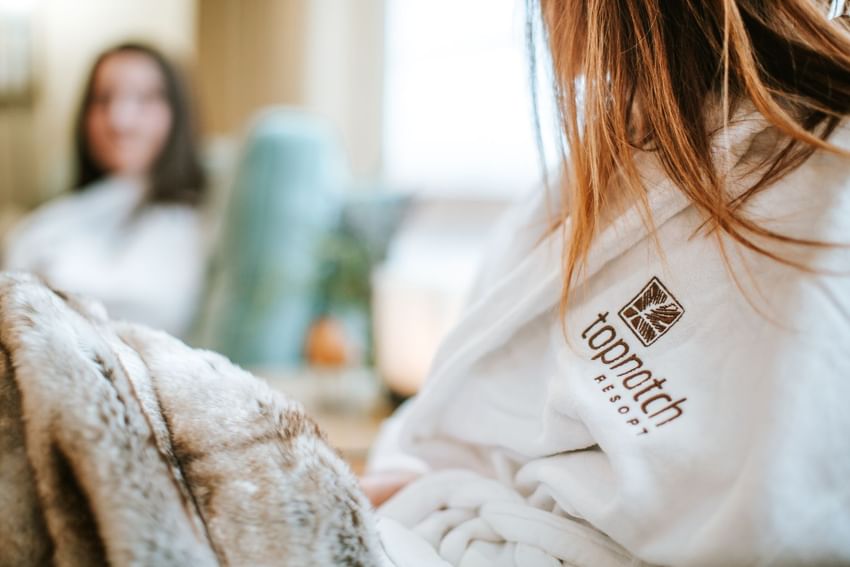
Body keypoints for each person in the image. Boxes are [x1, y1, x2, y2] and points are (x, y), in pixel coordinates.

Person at [363, 1, 850, 565]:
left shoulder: (826, 202)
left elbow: (779, 528)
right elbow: (457, 432)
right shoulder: (595, 165)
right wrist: (405, 486)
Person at [3, 43, 207, 338]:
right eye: (103, 99)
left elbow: (152, 306)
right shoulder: (64, 211)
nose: (119, 120)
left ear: (177, 114)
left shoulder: (182, 219)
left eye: (145, 99)